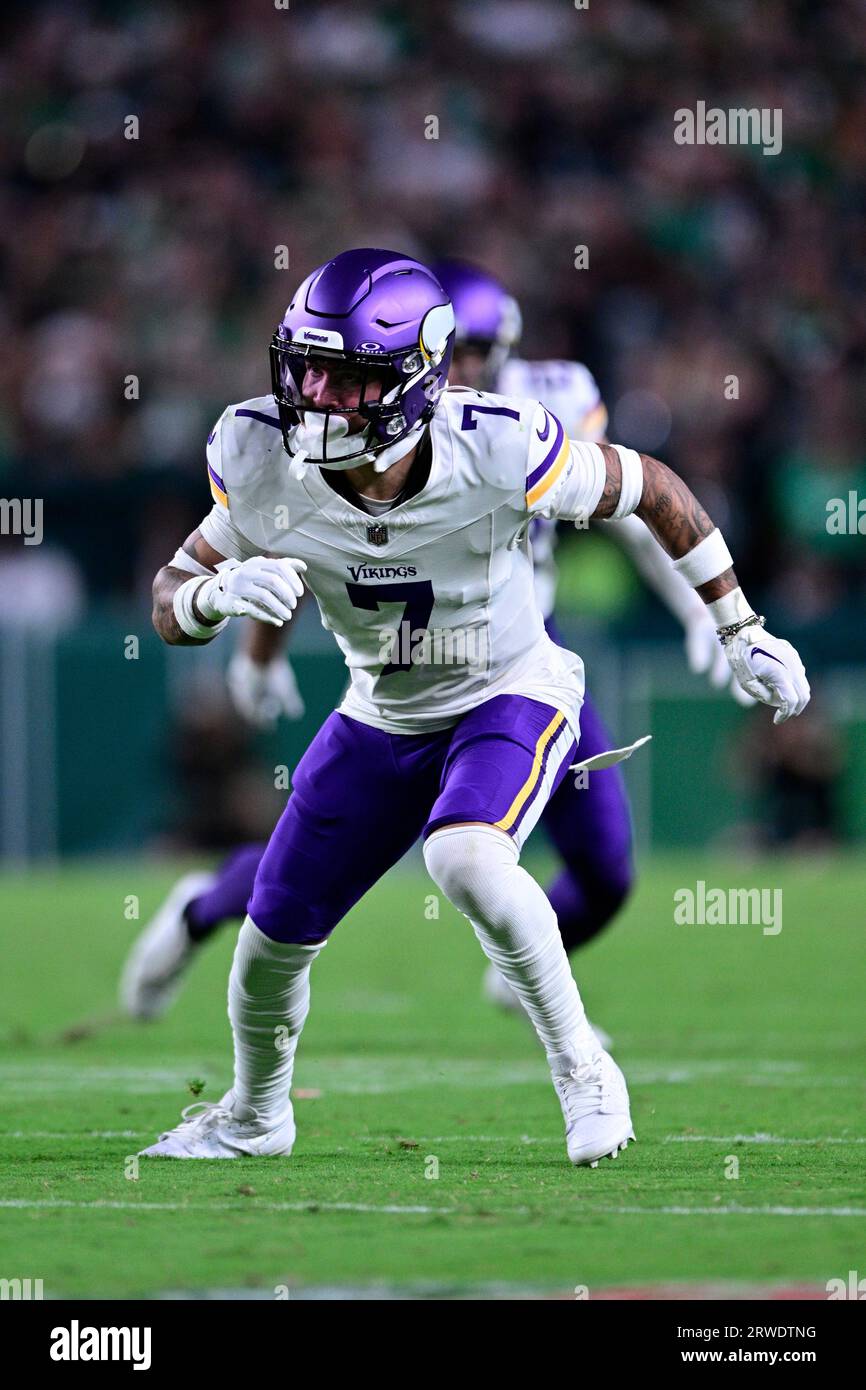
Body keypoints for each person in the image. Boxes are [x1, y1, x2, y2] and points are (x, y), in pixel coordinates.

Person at [138, 248, 809, 1165]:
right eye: (309, 368)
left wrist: (739, 628)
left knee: (465, 855)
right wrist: (212, 598)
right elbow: (171, 595)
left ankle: (583, 1068)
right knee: (267, 947)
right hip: (381, 712)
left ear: (418, 378)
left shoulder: (496, 444)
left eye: (351, 377)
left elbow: (652, 487)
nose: (319, 397)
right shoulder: (257, 455)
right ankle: (257, 1117)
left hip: (509, 688)